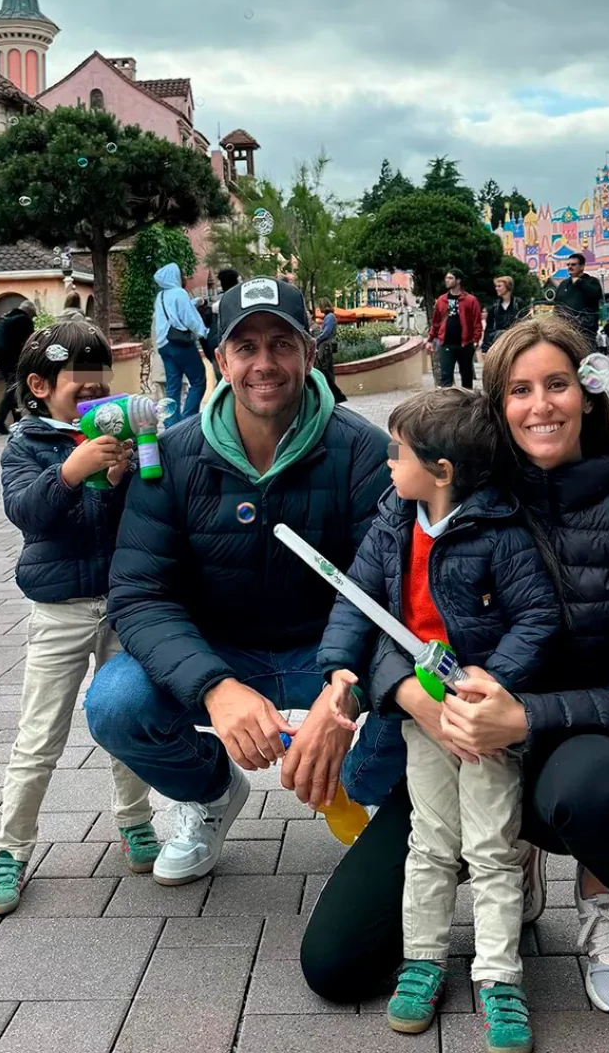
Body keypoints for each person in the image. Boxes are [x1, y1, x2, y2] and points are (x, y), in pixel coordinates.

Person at [300, 314, 609, 1019]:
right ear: (495, 407)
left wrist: (523, 713)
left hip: (565, 746)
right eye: (518, 389)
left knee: (599, 789)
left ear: (588, 393)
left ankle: (604, 897)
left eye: (558, 384)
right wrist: (403, 695)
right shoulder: (440, 503)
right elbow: (390, 615)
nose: (540, 405)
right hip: (451, 734)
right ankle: (514, 857)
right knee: (336, 961)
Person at [84, 278, 390, 887]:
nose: (264, 363)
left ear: (309, 351)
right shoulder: (169, 459)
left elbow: (388, 593)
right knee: (114, 703)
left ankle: (372, 797)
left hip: (329, 656)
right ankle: (212, 794)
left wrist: (346, 687)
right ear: (220, 360)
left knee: (422, 704)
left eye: (281, 343)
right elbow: (140, 595)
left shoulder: (363, 452)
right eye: (245, 346)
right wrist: (215, 687)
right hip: (220, 652)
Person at [320, 388, 559, 1053]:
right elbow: (356, 600)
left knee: (489, 843)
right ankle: (423, 957)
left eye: (399, 452)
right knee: (429, 839)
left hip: (480, 718)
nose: (389, 462)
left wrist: (492, 680)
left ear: (443, 469)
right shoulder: (393, 520)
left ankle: (499, 972)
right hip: (421, 716)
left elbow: (536, 617)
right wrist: (341, 668)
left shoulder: (501, 532)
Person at [0, 319, 160, 916]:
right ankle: (11, 848)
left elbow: (124, 522)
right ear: (38, 385)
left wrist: (116, 478)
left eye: (100, 391)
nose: (93, 402)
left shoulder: (113, 438)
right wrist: (71, 470)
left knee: (123, 719)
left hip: (118, 607)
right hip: (58, 610)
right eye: (80, 392)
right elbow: (29, 515)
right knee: (39, 733)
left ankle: (135, 819)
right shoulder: (24, 444)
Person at [153, 262, 209, 426]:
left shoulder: (161, 296)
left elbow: (173, 313)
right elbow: (188, 317)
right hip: (180, 344)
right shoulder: (179, 293)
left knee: (173, 386)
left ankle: (171, 424)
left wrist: (196, 302)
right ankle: (188, 420)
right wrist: (203, 332)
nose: (182, 277)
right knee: (198, 380)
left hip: (164, 346)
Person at [0, 300, 36, 434]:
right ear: (29, 313)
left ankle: (17, 420)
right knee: (12, 390)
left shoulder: (2, 319)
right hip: (15, 359)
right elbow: (31, 342)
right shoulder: (24, 321)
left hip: (1, 360)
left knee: (12, 388)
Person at [428, 269, 482, 388]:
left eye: (450, 278)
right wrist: (430, 340)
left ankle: (467, 403)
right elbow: (436, 321)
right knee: (445, 377)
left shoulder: (470, 300)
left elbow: (476, 322)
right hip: (446, 344)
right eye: (446, 278)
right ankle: (447, 404)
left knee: (466, 376)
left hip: (465, 344)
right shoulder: (442, 300)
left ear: (458, 280)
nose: (447, 280)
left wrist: (476, 339)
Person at [554, 254, 602, 350]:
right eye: (568, 265)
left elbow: (596, 295)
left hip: (585, 330)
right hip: (566, 331)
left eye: (573, 264)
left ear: (582, 266)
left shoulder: (591, 281)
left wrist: (580, 283)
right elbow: (557, 304)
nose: (570, 267)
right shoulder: (563, 285)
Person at [204, 268, 241, 384]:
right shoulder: (239, 301)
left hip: (214, 345)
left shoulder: (214, 302)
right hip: (232, 346)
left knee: (222, 382)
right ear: (236, 282)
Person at [313, 297, 346, 404]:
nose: (319, 308)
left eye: (320, 306)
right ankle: (332, 396)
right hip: (326, 347)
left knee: (324, 371)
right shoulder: (329, 317)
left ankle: (333, 396)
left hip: (326, 347)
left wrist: (315, 340)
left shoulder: (329, 317)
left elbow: (326, 333)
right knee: (326, 372)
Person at [481, 275, 522, 353]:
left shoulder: (518, 303)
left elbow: (524, 323)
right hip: (498, 344)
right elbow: (489, 328)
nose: (496, 288)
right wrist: (485, 348)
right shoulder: (494, 306)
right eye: (496, 286)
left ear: (508, 286)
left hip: (514, 343)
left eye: (499, 286)